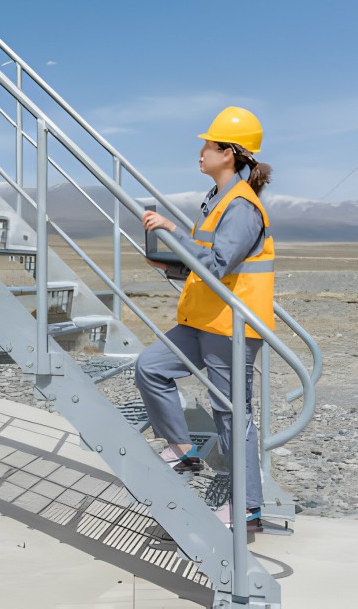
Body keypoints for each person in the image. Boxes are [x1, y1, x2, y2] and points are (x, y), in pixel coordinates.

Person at [135, 106, 274, 531]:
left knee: (231, 413)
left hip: (230, 327)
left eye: (208, 146)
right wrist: (171, 263)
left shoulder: (242, 206)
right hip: (202, 321)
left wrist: (174, 233)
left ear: (228, 153)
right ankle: (182, 449)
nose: (200, 153)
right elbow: (204, 264)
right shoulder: (216, 200)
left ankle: (248, 507)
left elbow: (217, 263)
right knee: (151, 367)